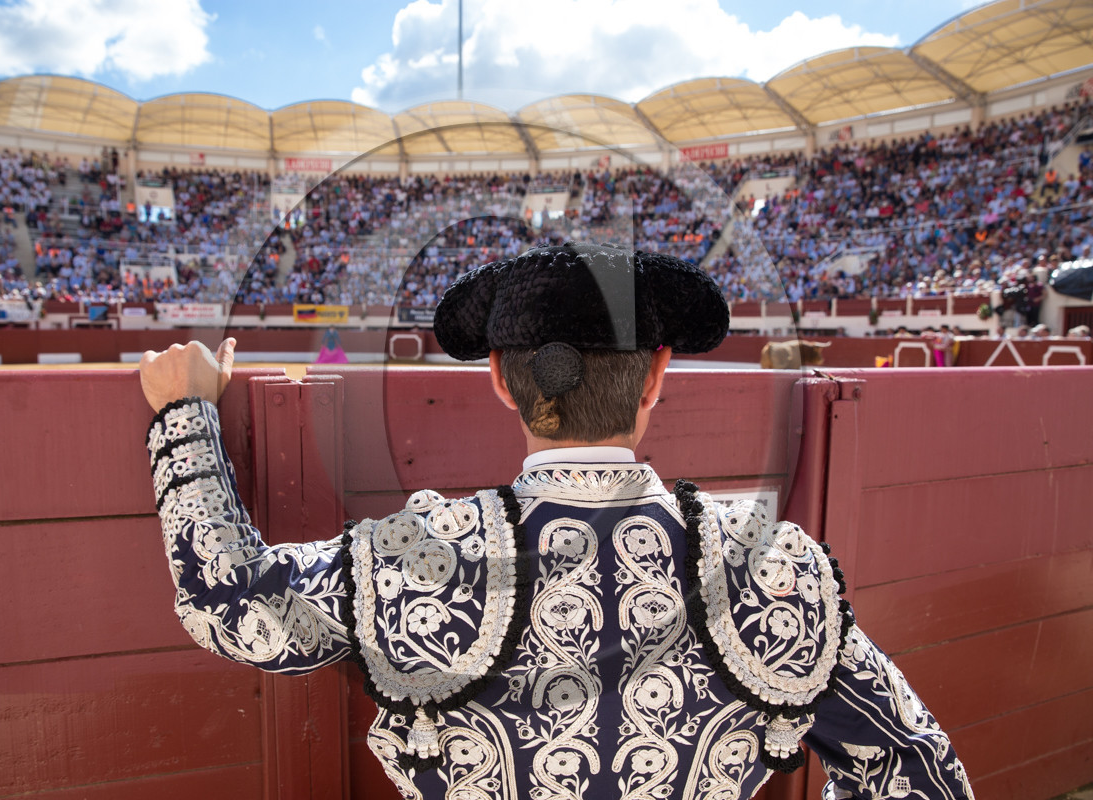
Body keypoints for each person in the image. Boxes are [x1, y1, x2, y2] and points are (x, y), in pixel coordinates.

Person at [139, 243, 972, 799]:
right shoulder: (772, 567)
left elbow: (230, 606)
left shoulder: (417, 557)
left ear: (501, 380)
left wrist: (184, 417)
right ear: (656, 376)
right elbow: (920, 771)